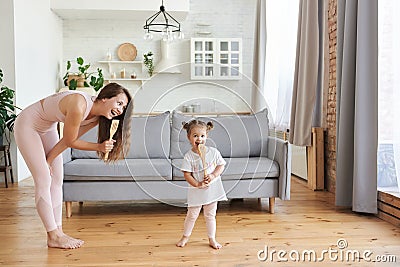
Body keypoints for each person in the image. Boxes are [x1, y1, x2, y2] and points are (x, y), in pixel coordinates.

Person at [14, 82, 133, 249]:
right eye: (119, 103)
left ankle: (58, 233)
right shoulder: (79, 104)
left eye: (124, 107)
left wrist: (48, 160)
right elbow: (71, 141)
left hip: (47, 128)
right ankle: (52, 235)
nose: (120, 110)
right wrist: (98, 147)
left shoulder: (96, 118)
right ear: (104, 98)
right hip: (28, 125)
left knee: (56, 179)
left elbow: (66, 142)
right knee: (43, 180)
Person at [176, 120, 227, 249]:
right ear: (189, 138)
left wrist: (213, 175)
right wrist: (197, 184)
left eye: (202, 136)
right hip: (196, 190)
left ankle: (212, 238)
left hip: (212, 189)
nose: (199, 139)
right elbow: (187, 174)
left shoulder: (214, 152)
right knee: (192, 215)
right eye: (195, 136)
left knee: (210, 215)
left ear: (206, 136)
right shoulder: (189, 156)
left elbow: (221, 165)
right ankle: (185, 237)